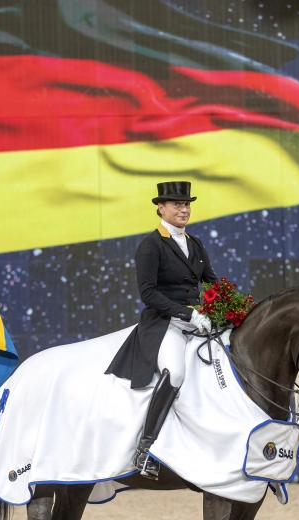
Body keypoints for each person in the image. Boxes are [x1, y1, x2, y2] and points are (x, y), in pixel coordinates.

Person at [106, 181, 217, 480]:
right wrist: (186, 313)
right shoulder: (151, 245)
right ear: (161, 208)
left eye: (187, 204)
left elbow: (211, 281)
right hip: (166, 322)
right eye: (177, 204)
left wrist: (230, 306)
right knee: (176, 373)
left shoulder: (194, 243)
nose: (184, 209)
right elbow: (148, 293)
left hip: (197, 321)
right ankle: (146, 448)